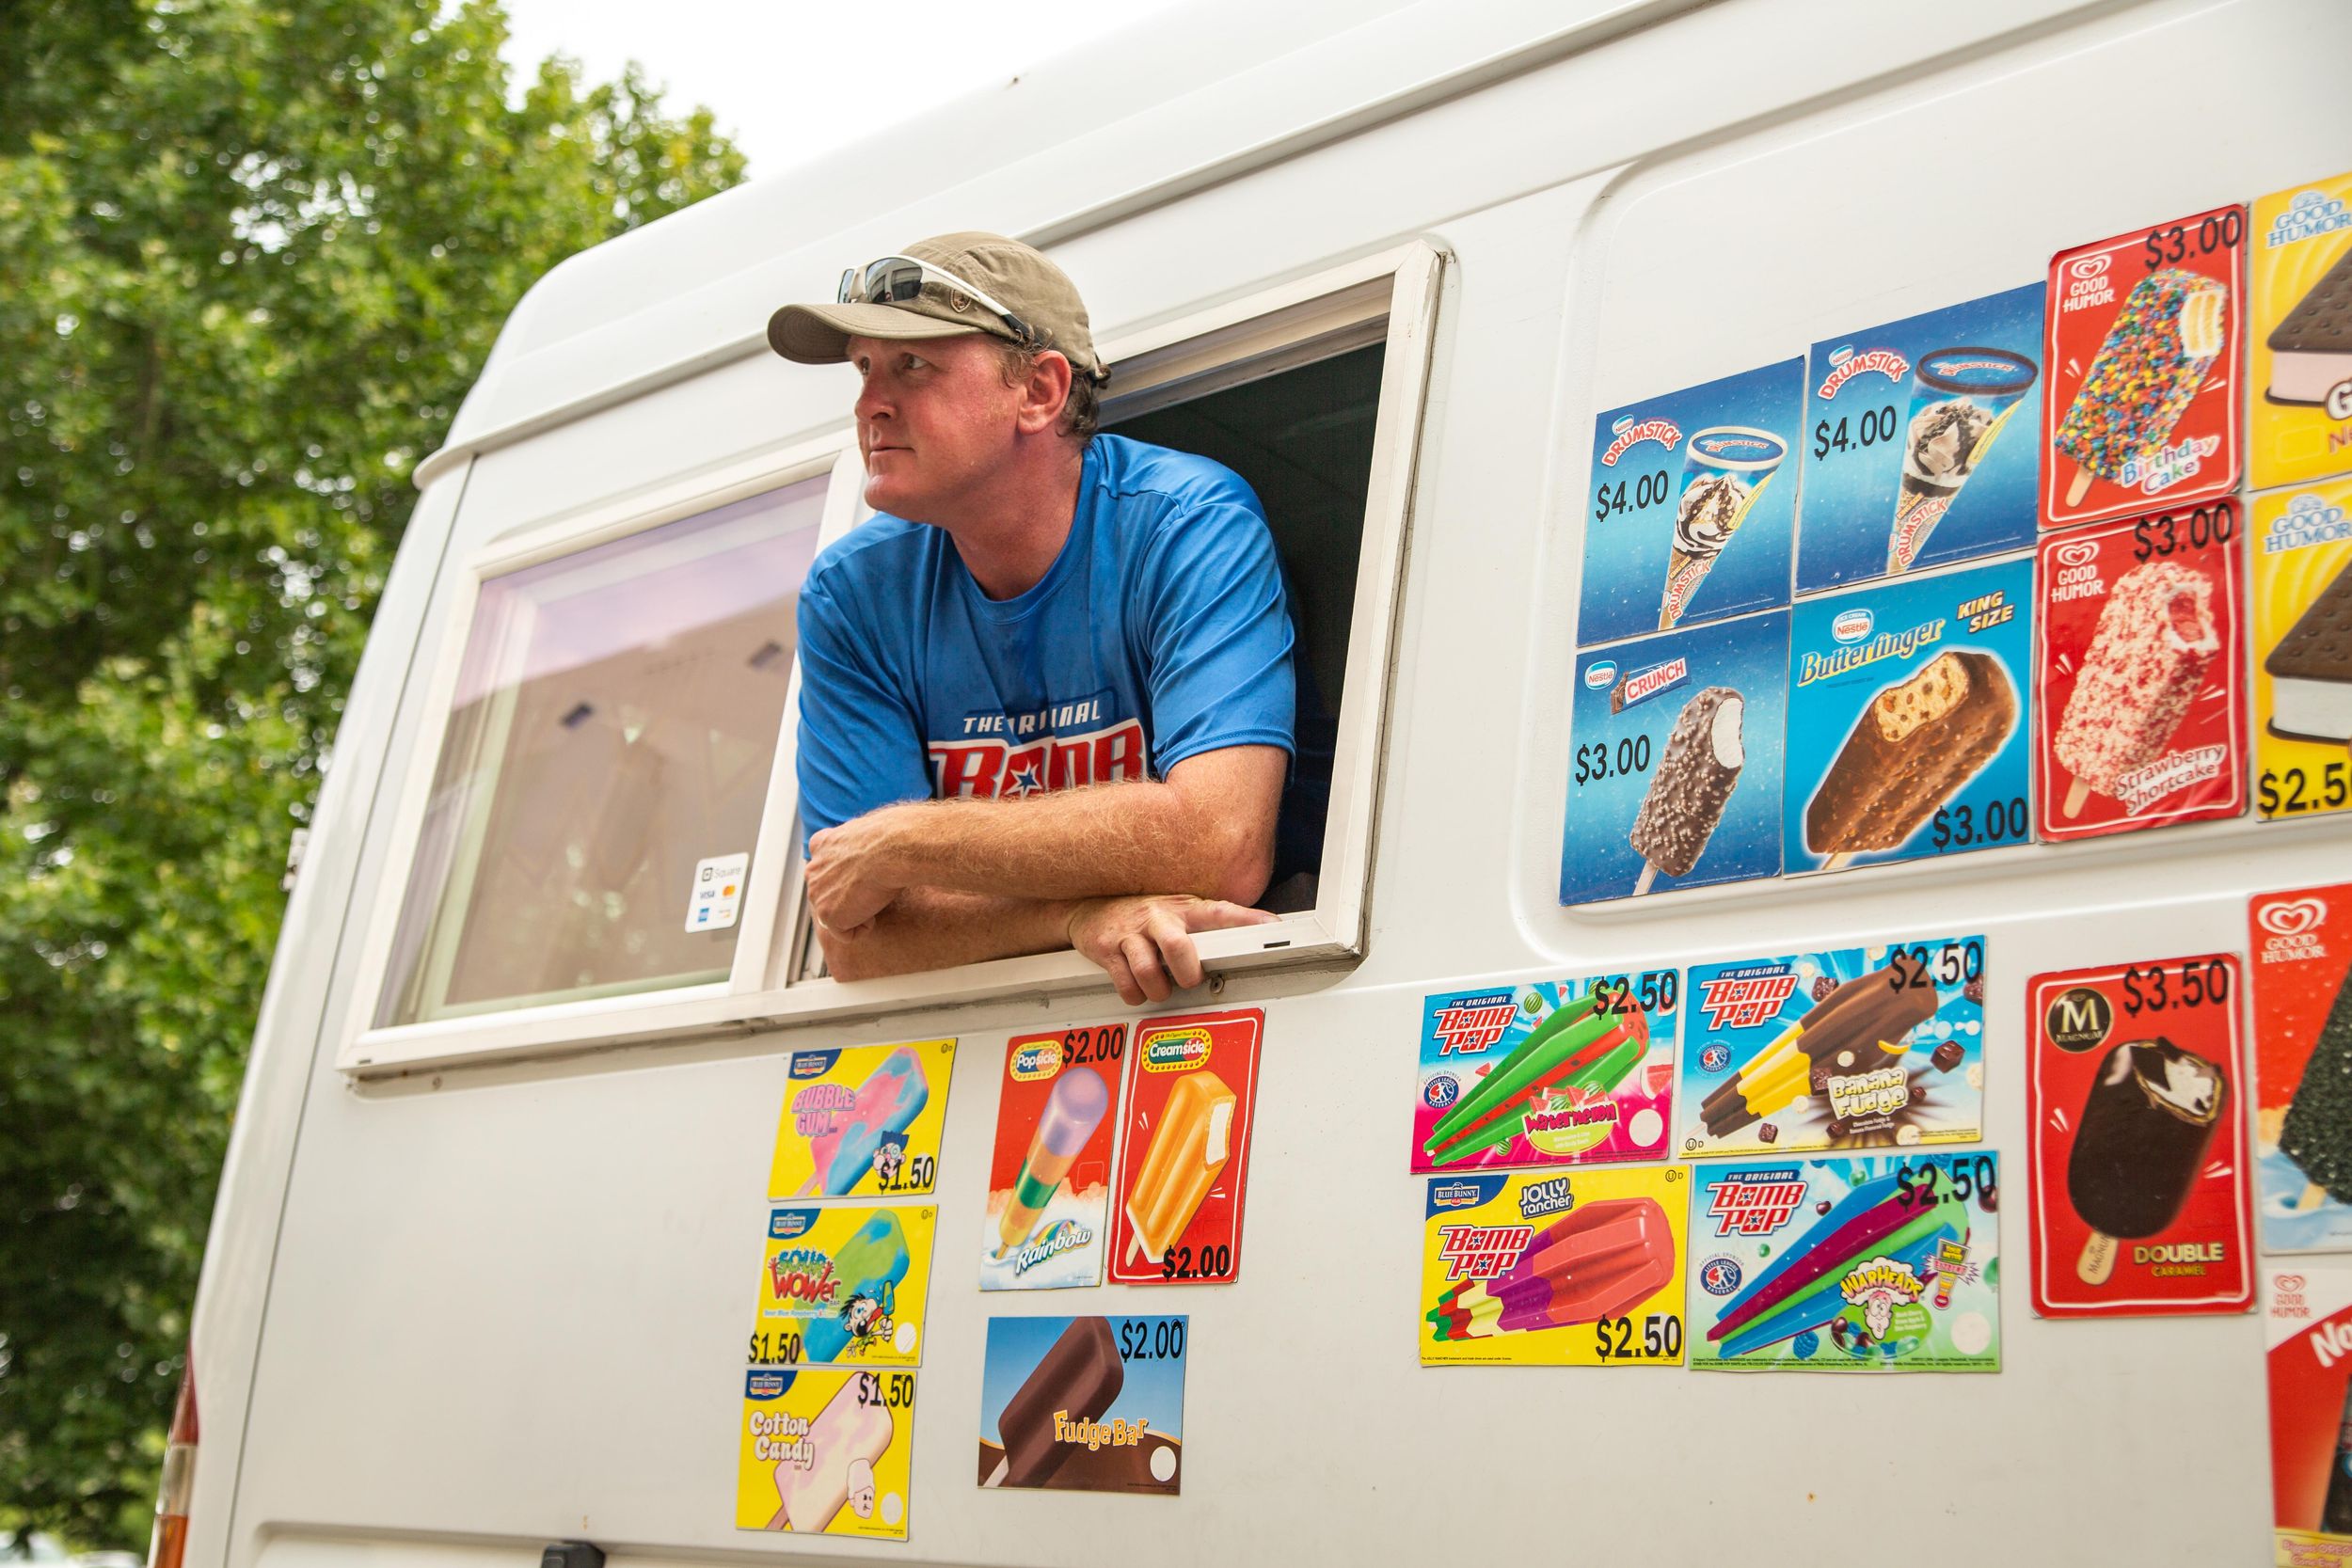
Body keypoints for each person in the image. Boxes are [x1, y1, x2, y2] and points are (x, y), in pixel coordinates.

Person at [767, 232, 1311, 1005]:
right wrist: (1080, 914)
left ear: (1040, 391)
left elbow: (1220, 845)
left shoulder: (1185, 521)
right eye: (862, 369)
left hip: (1223, 1004)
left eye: (911, 365)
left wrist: (906, 840)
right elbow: (857, 940)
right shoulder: (852, 593)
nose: (868, 406)